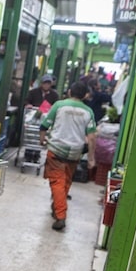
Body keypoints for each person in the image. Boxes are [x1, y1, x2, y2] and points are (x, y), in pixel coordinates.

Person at [39, 81, 97, 231]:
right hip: (75, 153)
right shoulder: (88, 111)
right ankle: (57, 206)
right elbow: (92, 137)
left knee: (57, 182)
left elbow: (44, 125)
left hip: (56, 150)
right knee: (66, 181)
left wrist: (42, 139)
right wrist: (91, 158)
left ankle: (60, 215)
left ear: (70, 92)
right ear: (85, 95)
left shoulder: (59, 106)